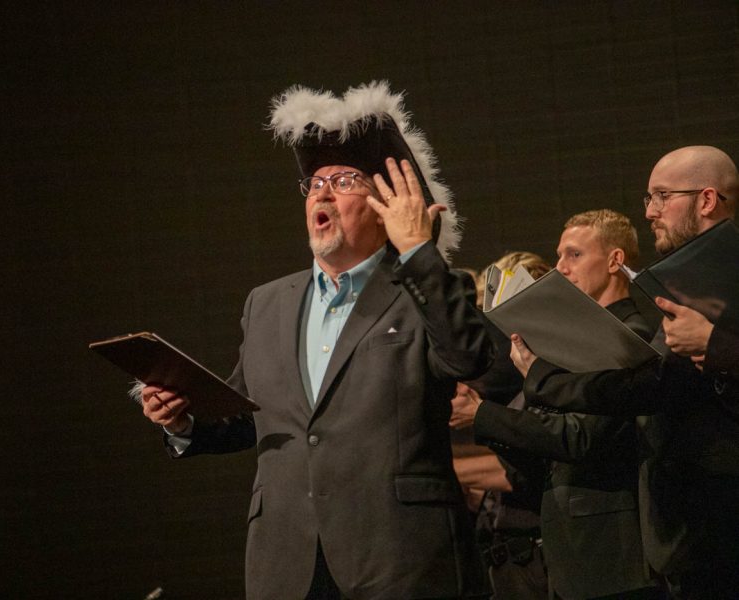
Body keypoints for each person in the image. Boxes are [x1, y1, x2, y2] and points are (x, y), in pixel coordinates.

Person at [139, 82, 495, 599]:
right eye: (314, 183)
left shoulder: (424, 288)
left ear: (384, 204)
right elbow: (252, 417)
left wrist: (418, 249)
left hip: (399, 561)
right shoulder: (267, 302)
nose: (321, 192)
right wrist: (183, 421)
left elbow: (470, 359)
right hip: (288, 563)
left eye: (343, 180)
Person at [511, 146, 739, 599]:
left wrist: (544, 378)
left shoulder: (716, 278)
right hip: (691, 534)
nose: (651, 212)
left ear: (706, 200)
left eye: (661, 196)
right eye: (648, 198)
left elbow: (650, 388)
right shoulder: (684, 281)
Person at [454, 210, 663, 599]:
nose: (561, 269)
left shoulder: (626, 338)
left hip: (608, 554)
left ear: (615, 261)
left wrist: (483, 413)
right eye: (560, 256)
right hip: (572, 552)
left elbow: (581, 438)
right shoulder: (580, 339)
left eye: (574, 255)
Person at [451, 252, 552, 600]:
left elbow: (531, 466)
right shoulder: (497, 386)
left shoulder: (551, 375)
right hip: (500, 557)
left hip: (538, 559)